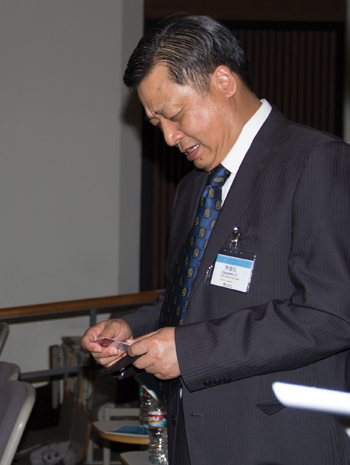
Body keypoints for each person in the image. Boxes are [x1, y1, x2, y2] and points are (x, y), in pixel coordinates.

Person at [82, 15, 350, 465]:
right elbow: (196, 298)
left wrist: (188, 352)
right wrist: (136, 330)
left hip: (278, 441)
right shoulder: (194, 189)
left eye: (175, 115)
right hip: (194, 437)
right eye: (156, 124)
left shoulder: (316, 162)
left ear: (223, 79)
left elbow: (331, 314)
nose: (168, 137)